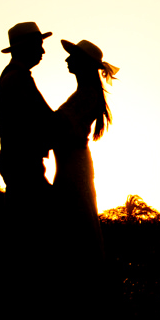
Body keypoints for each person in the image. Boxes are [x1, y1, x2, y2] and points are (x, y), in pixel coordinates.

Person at [53, 38, 118, 265]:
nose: (67, 59)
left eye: (72, 56)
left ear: (83, 63)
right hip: (70, 163)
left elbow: (60, 125)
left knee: (74, 215)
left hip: (73, 165)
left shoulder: (87, 95)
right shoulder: (84, 93)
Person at [0, 22, 55, 206]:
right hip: (23, 164)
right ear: (26, 47)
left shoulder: (15, 76)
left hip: (19, 161)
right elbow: (43, 119)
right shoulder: (17, 79)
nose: (43, 52)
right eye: (39, 45)